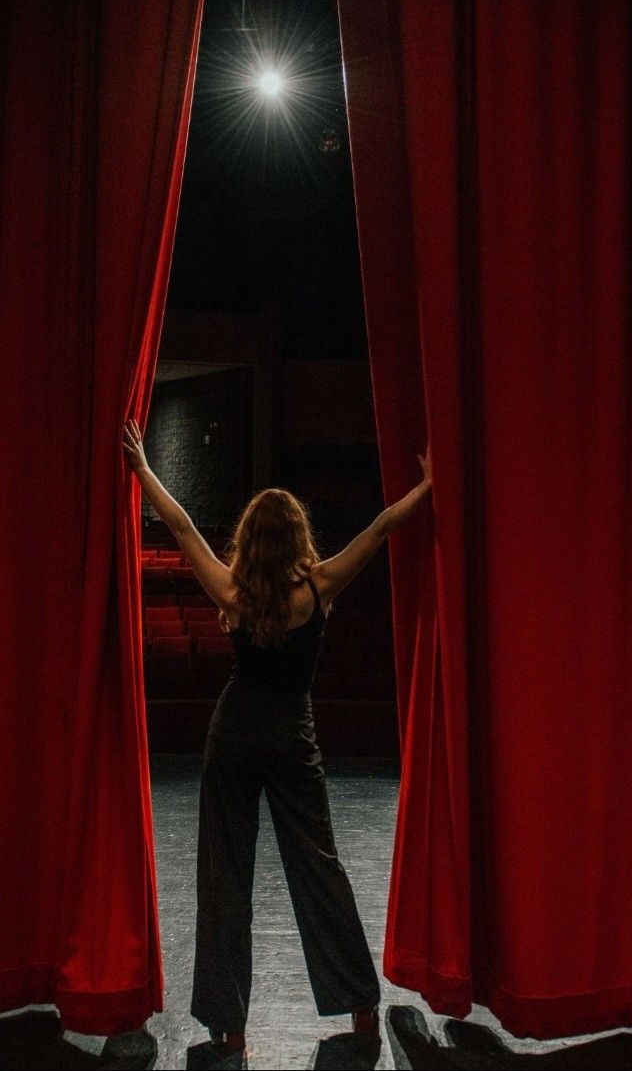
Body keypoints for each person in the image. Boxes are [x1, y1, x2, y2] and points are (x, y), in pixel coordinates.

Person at [122, 418, 432, 1068]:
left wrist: (144, 469)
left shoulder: (233, 589)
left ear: (250, 541)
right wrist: (428, 487)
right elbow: (379, 529)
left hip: (232, 735)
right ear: (296, 538)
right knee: (318, 870)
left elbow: (181, 527)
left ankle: (227, 1027)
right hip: (291, 739)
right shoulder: (316, 588)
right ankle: (359, 1005)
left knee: (223, 877)